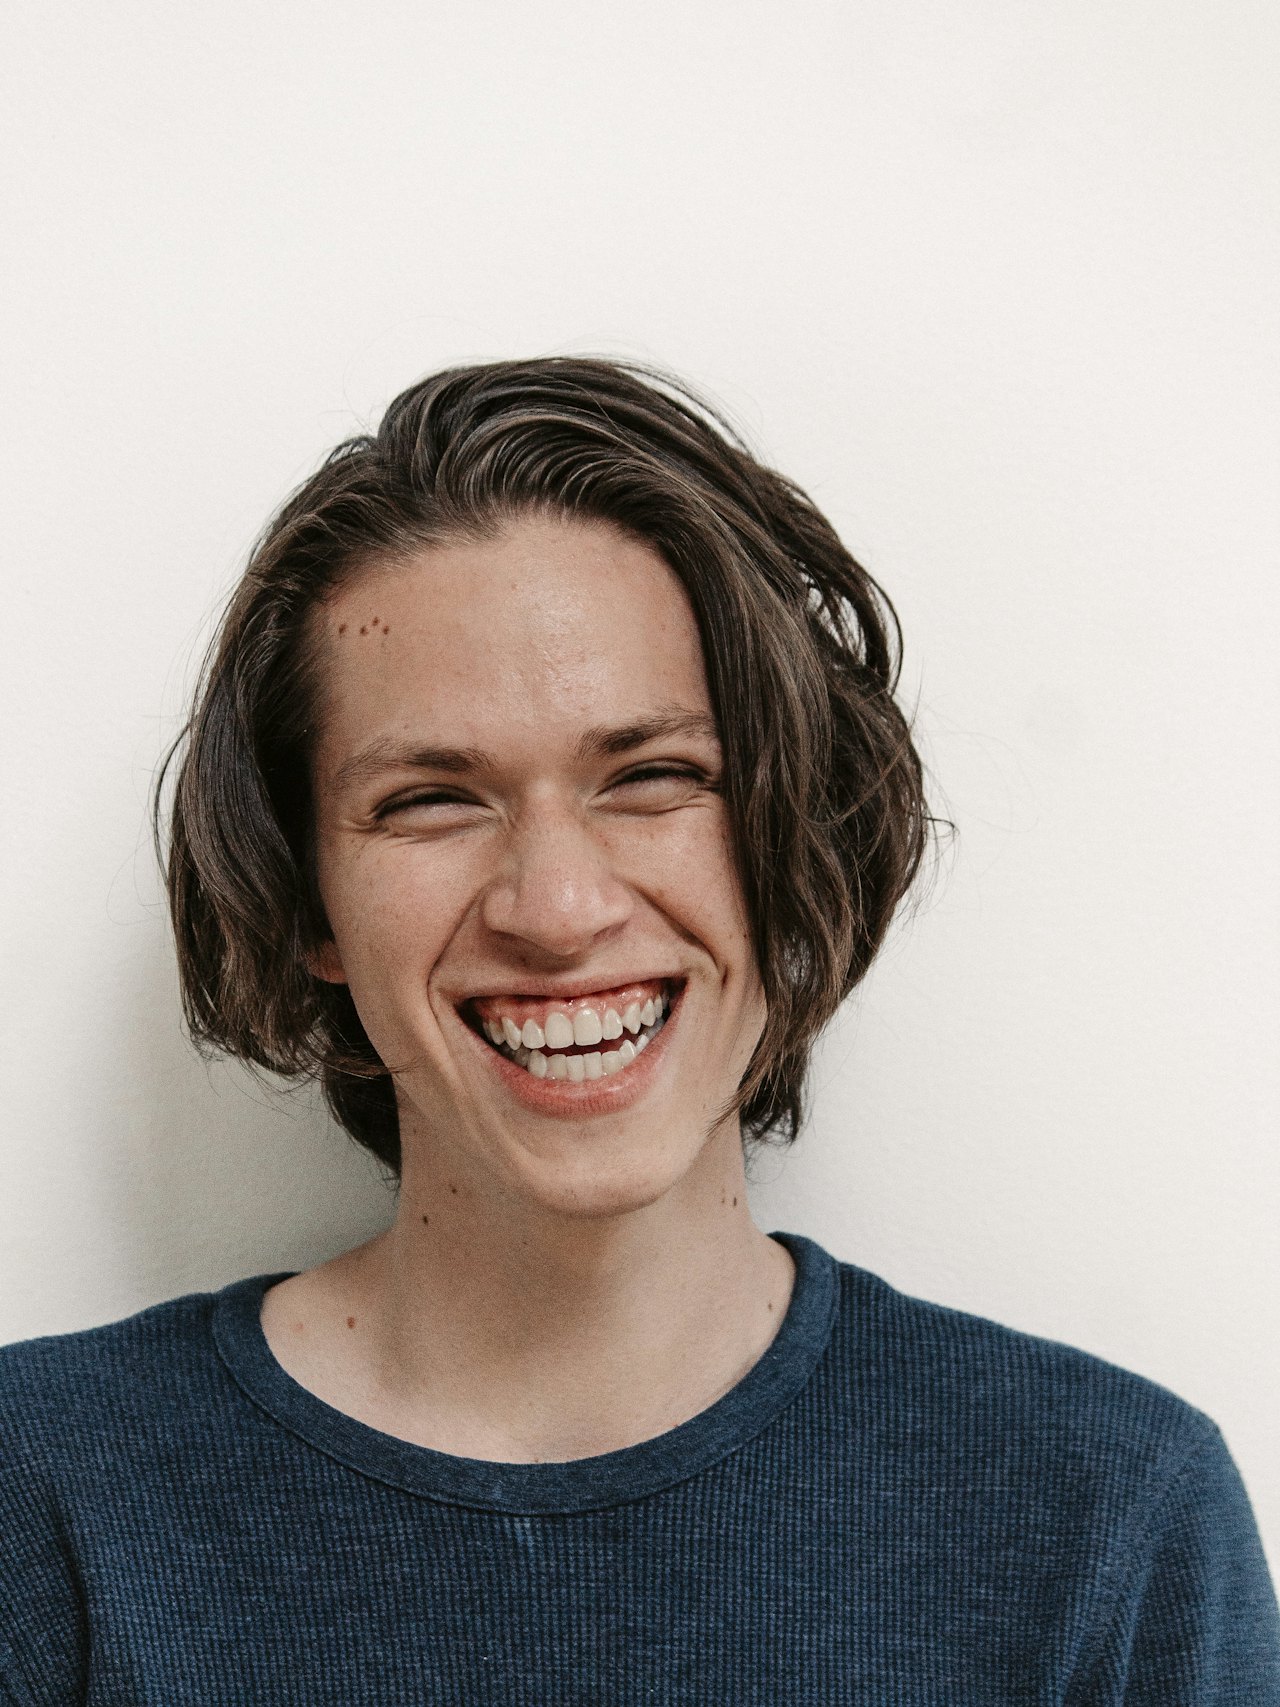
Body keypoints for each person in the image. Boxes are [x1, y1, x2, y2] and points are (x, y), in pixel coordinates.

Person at [1, 358, 1276, 1705]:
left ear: (794, 831)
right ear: (308, 899)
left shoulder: (1111, 1523)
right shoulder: (44, 1504)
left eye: (655, 777)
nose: (558, 910)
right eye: (431, 800)